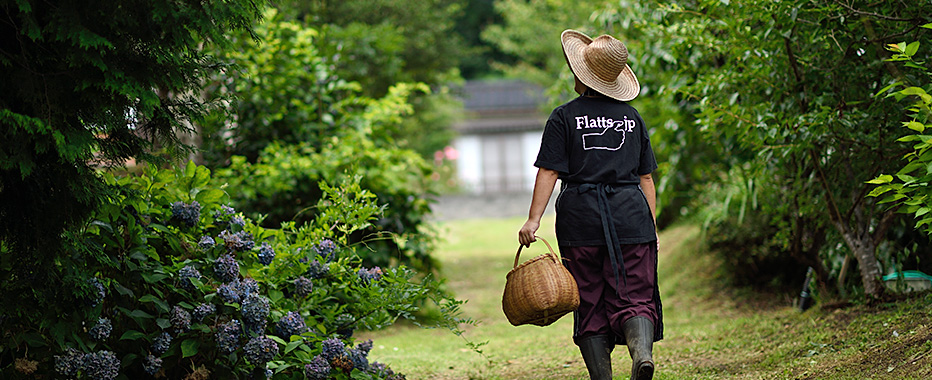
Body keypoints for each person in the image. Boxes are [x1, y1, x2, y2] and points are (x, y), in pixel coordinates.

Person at [517, 29, 663, 380]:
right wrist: (651, 226)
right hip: (631, 216)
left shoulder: (564, 117)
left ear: (580, 73)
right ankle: (641, 352)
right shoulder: (633, 117)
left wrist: (533, 220)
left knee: (588, 298)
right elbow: (646, 178)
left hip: (581, 220)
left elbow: (550, 170)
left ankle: (603, 376)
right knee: (636, 294)